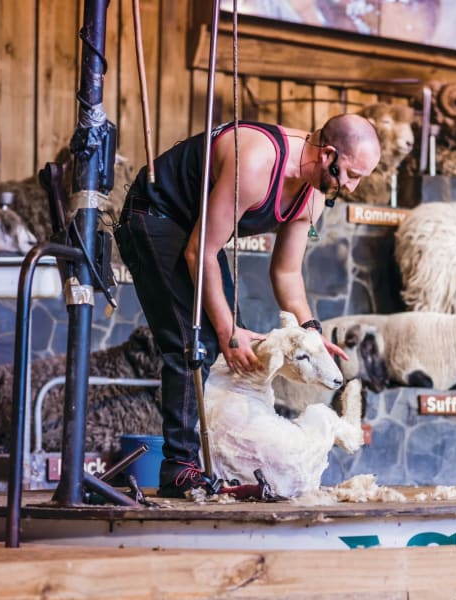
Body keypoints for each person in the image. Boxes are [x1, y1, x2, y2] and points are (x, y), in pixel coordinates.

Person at [114, 114, 381, 497]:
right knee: (198, 341)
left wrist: (312, 333)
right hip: (157, 213)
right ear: (328, 155)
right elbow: (199, 251)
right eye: (352, 175)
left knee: (228, 351)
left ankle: (215, 463)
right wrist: (227, 331)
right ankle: (180, 469)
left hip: (196, 231)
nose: (353, 187)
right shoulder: (256, 162)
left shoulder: (313, 196)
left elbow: (287, 274)